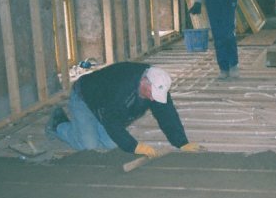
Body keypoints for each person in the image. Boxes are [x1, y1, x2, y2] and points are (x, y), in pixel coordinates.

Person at [45, 62, 203, 157]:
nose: (154, 99)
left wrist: (181, 143)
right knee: (89, 146)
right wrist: (134, 146)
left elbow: (167, 115)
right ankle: (58, 124)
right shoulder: (121, 88)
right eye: (151, 94)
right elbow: (111, 122)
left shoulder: (157, 84)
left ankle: (86, 127)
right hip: (85, 98)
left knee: (112, 146)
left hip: (104, 105)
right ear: (143, 82)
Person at [188, 0, 273, 80]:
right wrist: (198, 1)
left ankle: (233, 65)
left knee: (228, 32)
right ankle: (223, 68)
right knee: (217, 34)